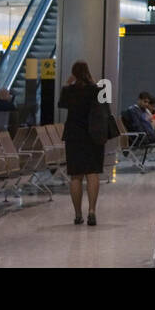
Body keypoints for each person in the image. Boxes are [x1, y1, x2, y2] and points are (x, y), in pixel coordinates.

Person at [58, 61, 104, 226]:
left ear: (74, 73)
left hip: (74, 136)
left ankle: (78, 214)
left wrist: (67, 84)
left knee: (76, 176)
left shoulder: (69, 91)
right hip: (93, 136)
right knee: (92, 174)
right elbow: (103, 109)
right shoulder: (95, 90)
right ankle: (92, 211)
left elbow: (61, 104)